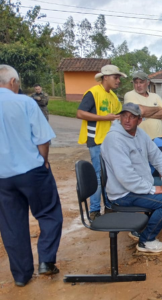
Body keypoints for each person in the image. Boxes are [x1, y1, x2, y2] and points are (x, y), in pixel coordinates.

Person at [0, 65, 63, 287]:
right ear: (13, 82)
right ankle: (46, 261)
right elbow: (43, 137)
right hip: (32, 170)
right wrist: (43, 159)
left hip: (2, 178)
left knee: (11, 224)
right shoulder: (25, 102)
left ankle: (21, 275)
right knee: (49, 213)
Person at [101, 102, 162, 253]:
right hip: (123, 194)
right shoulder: (114, 139)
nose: (127, 120)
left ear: (139, 120)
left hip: (137, 189)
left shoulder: (140, 134)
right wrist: (153, 189)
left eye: (132, 117)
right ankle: (146, 241)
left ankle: (139, 231)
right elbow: (125, 177)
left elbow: (157, 157)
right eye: (124, 116)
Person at [76, 65, 126, 220]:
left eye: (118, 78)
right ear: (105, 77)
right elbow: (80, 113)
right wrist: (105, 118)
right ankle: (95, 210)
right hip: (96, 141)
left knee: (109, 176)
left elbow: (118, 114)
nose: (118, 81)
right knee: (98, 176)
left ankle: (109, 206)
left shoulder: (113, 96)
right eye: (115, 77)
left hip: (110, 142)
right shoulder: (93, 93)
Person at [124, 71, 162, 139]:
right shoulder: (129, 95)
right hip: (141, 140)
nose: (138, 85)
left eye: (141, 82)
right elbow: (141, 111)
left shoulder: (155, 96)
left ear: (148, 83)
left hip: (160, 138)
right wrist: (157, 108)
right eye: (136, 82)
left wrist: (144, 115)